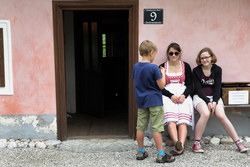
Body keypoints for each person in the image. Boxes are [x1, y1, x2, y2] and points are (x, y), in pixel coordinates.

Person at [192, 47, 248, 153]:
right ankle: (196, 143)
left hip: (215, 97)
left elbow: (218, 87)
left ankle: (238, 142)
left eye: (206, 57)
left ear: (211, 57)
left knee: (221, 115)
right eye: (202, 58)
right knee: (205, 113)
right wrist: (208, 102)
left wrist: (214, 101)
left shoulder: (217, 69)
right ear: (199, 59)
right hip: (200, 97)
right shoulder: (196, 71)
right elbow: (198, 89)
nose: (204, 60)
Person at [132, 40, 175, 163]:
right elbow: (161, 85)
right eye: (155, 54)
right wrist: (163, 74)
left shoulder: (136, 66)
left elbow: (138, 81)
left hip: (141, 101)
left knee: (140, 127)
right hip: (154, 101)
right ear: (151, 53)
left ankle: (140, 152)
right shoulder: (154, 68)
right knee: (156, 128)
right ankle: (161, 155)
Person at [159, 42, 194, 156]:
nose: (173, 55)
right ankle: (177, 143)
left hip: (183, 94)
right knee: (171, 120)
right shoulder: (162, 67)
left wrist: (184, 95)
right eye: (171, 53)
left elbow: (190, 84)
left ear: (180, 54)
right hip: (168, 94)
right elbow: (160, 86)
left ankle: (181, 146)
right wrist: (171, 96)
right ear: (167, 54)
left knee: (182, 121)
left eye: (176, 53)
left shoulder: (186, 66)